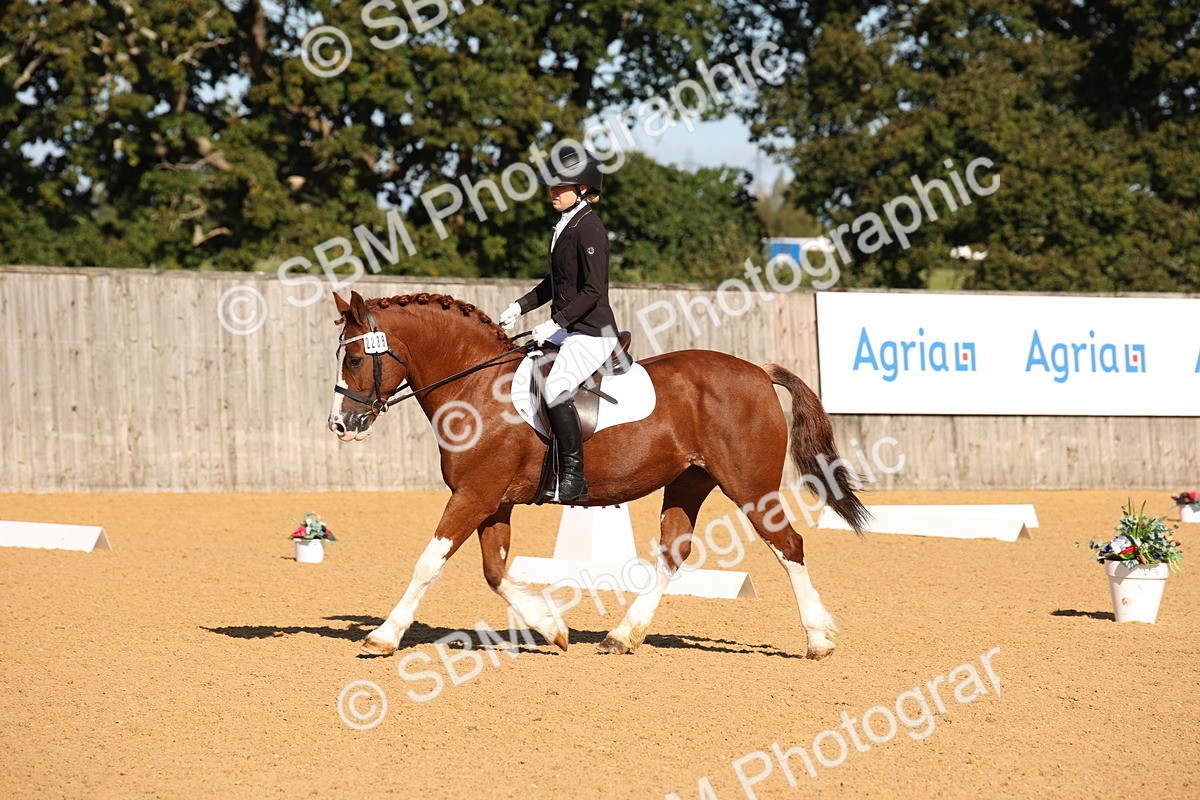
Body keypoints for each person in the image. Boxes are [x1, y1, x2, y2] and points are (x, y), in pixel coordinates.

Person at [498, 145, 619, 502]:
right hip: (569, 328)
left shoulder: (590, 229)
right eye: (550, 186)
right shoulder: (566, 225)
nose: (552, 192)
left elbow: (594, 290)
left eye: (559, 186)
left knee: (555, 388)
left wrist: (555, 324)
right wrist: (520, 307)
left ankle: (573, 476)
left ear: (582, 187)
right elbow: (555, 284)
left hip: (592, 331)